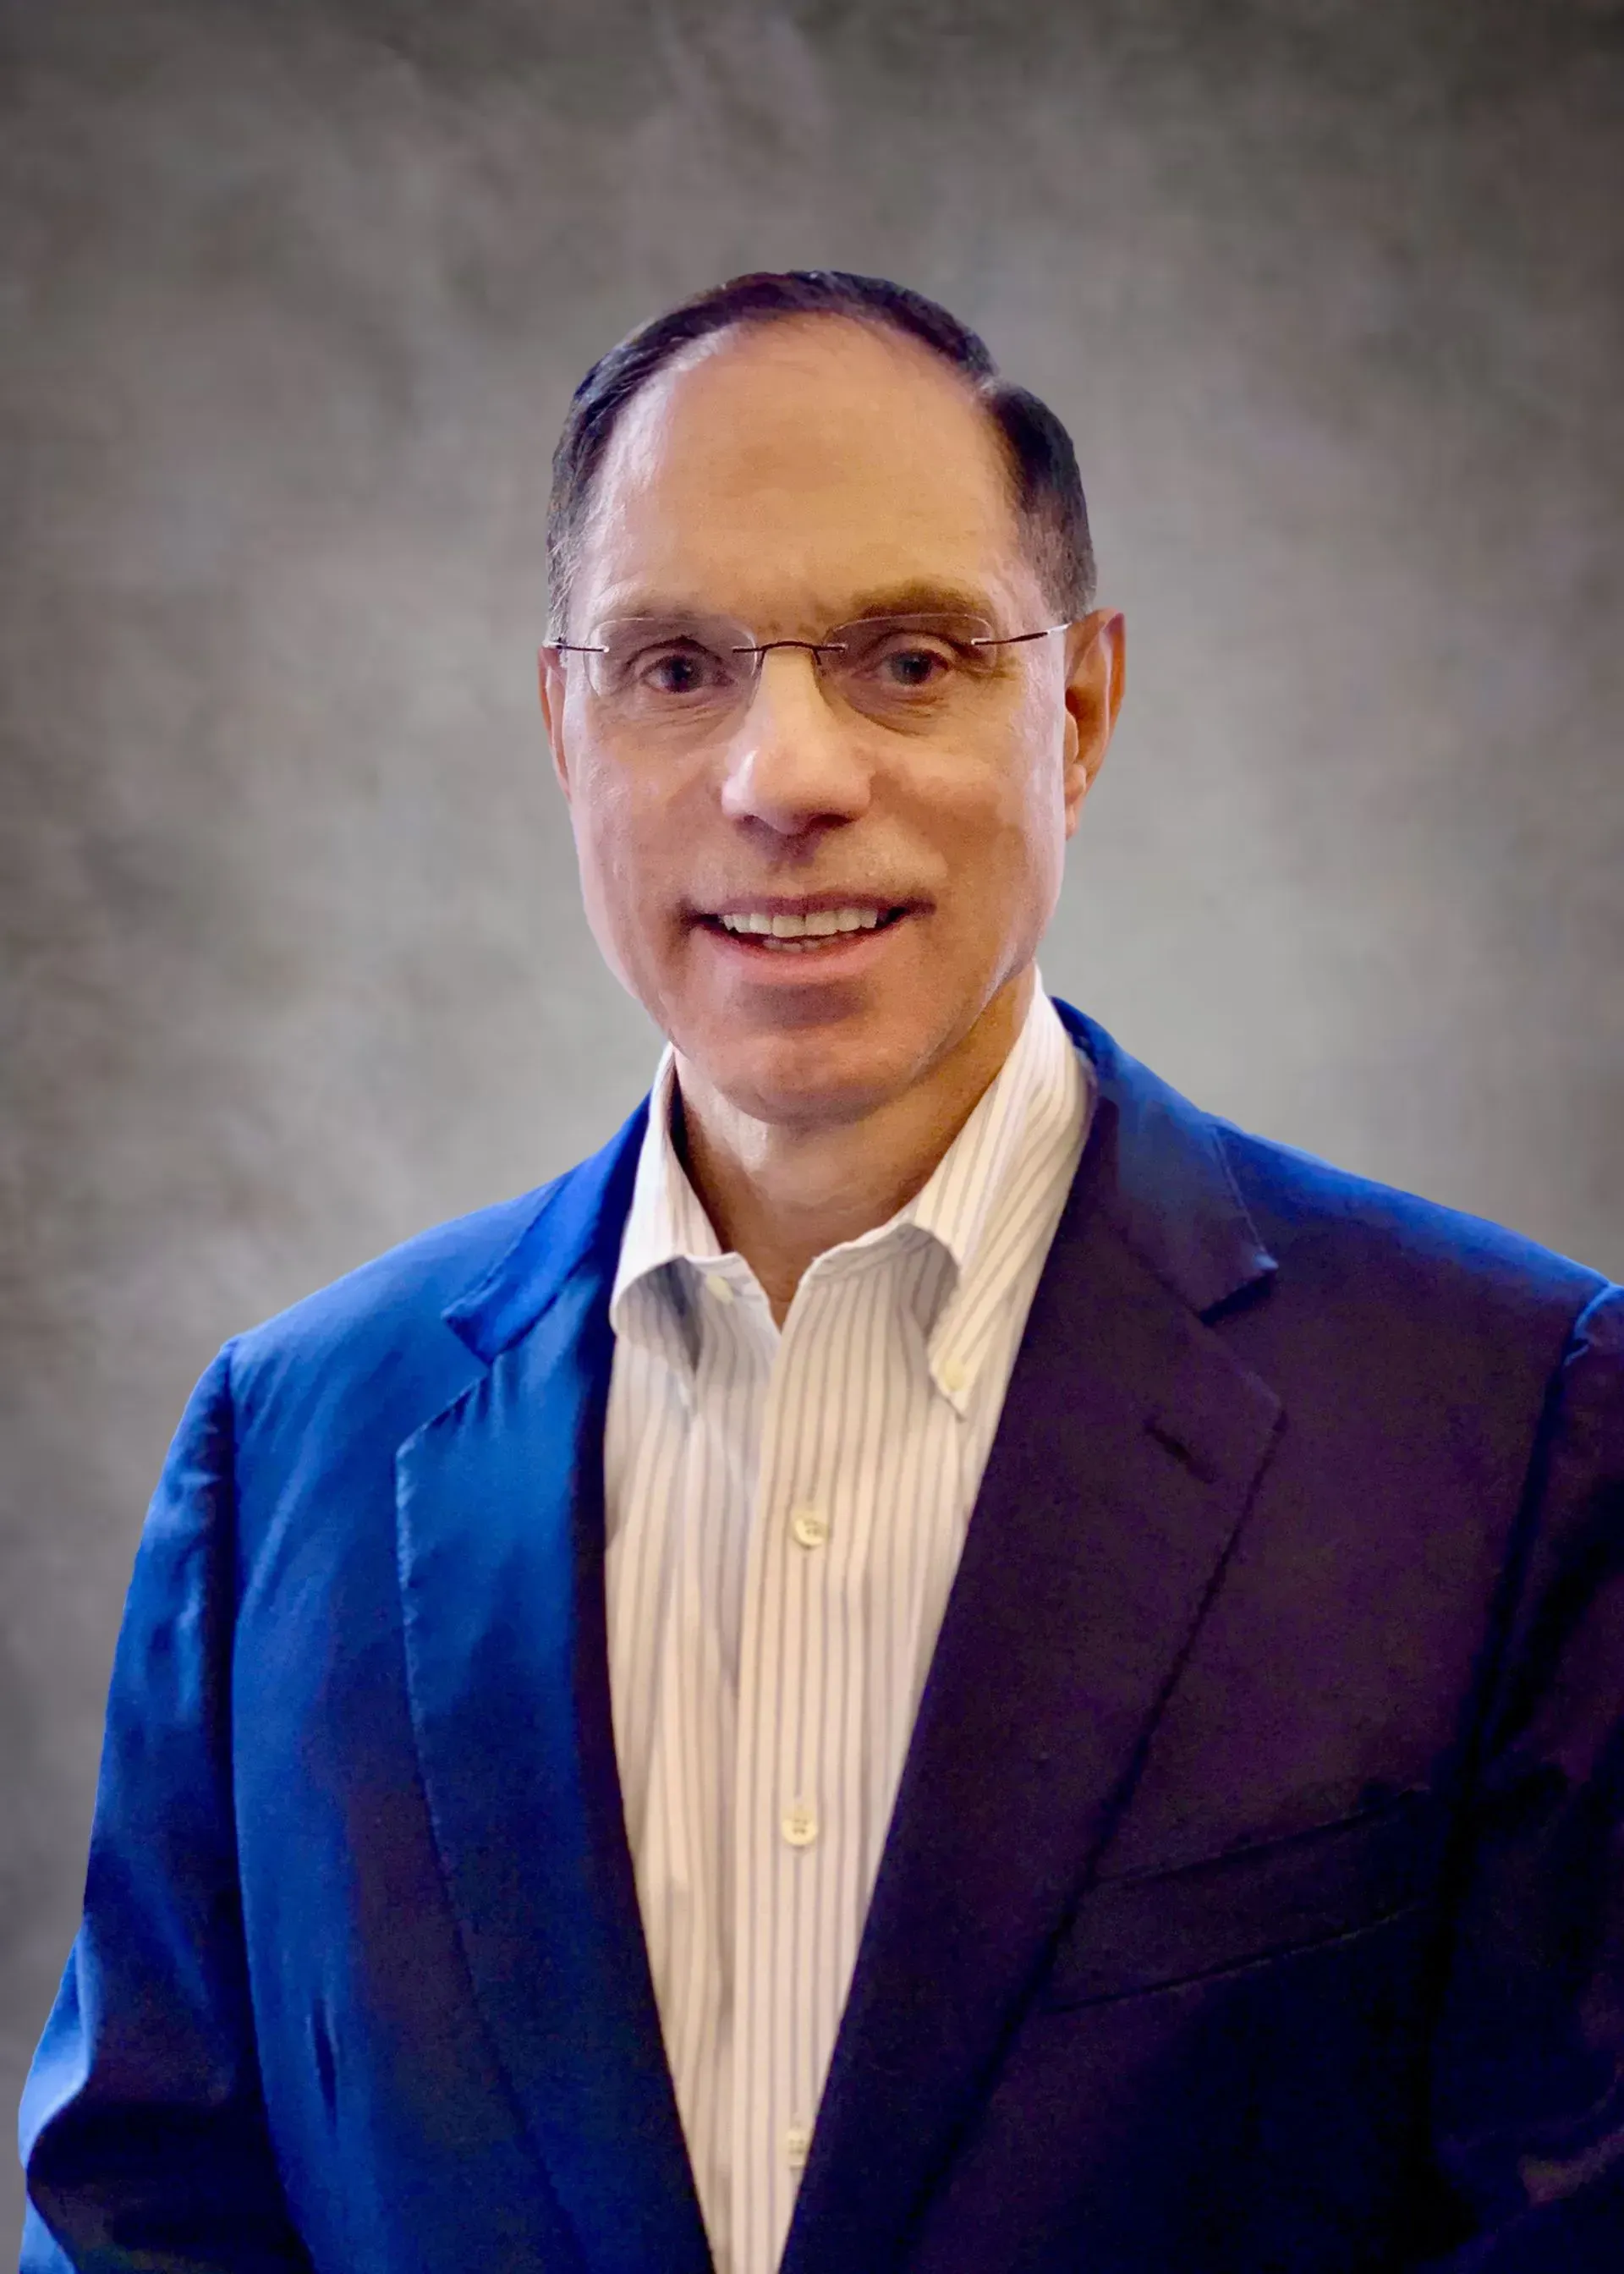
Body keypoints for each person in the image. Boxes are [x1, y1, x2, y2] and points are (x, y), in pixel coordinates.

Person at [17, 267, 1624, 2274]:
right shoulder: (288, 1460)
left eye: (909, 657)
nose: (783, 777)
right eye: (675, 665)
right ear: (563, 725)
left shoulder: (1516, 1426)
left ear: (1085, 707)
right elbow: (140, 2222)